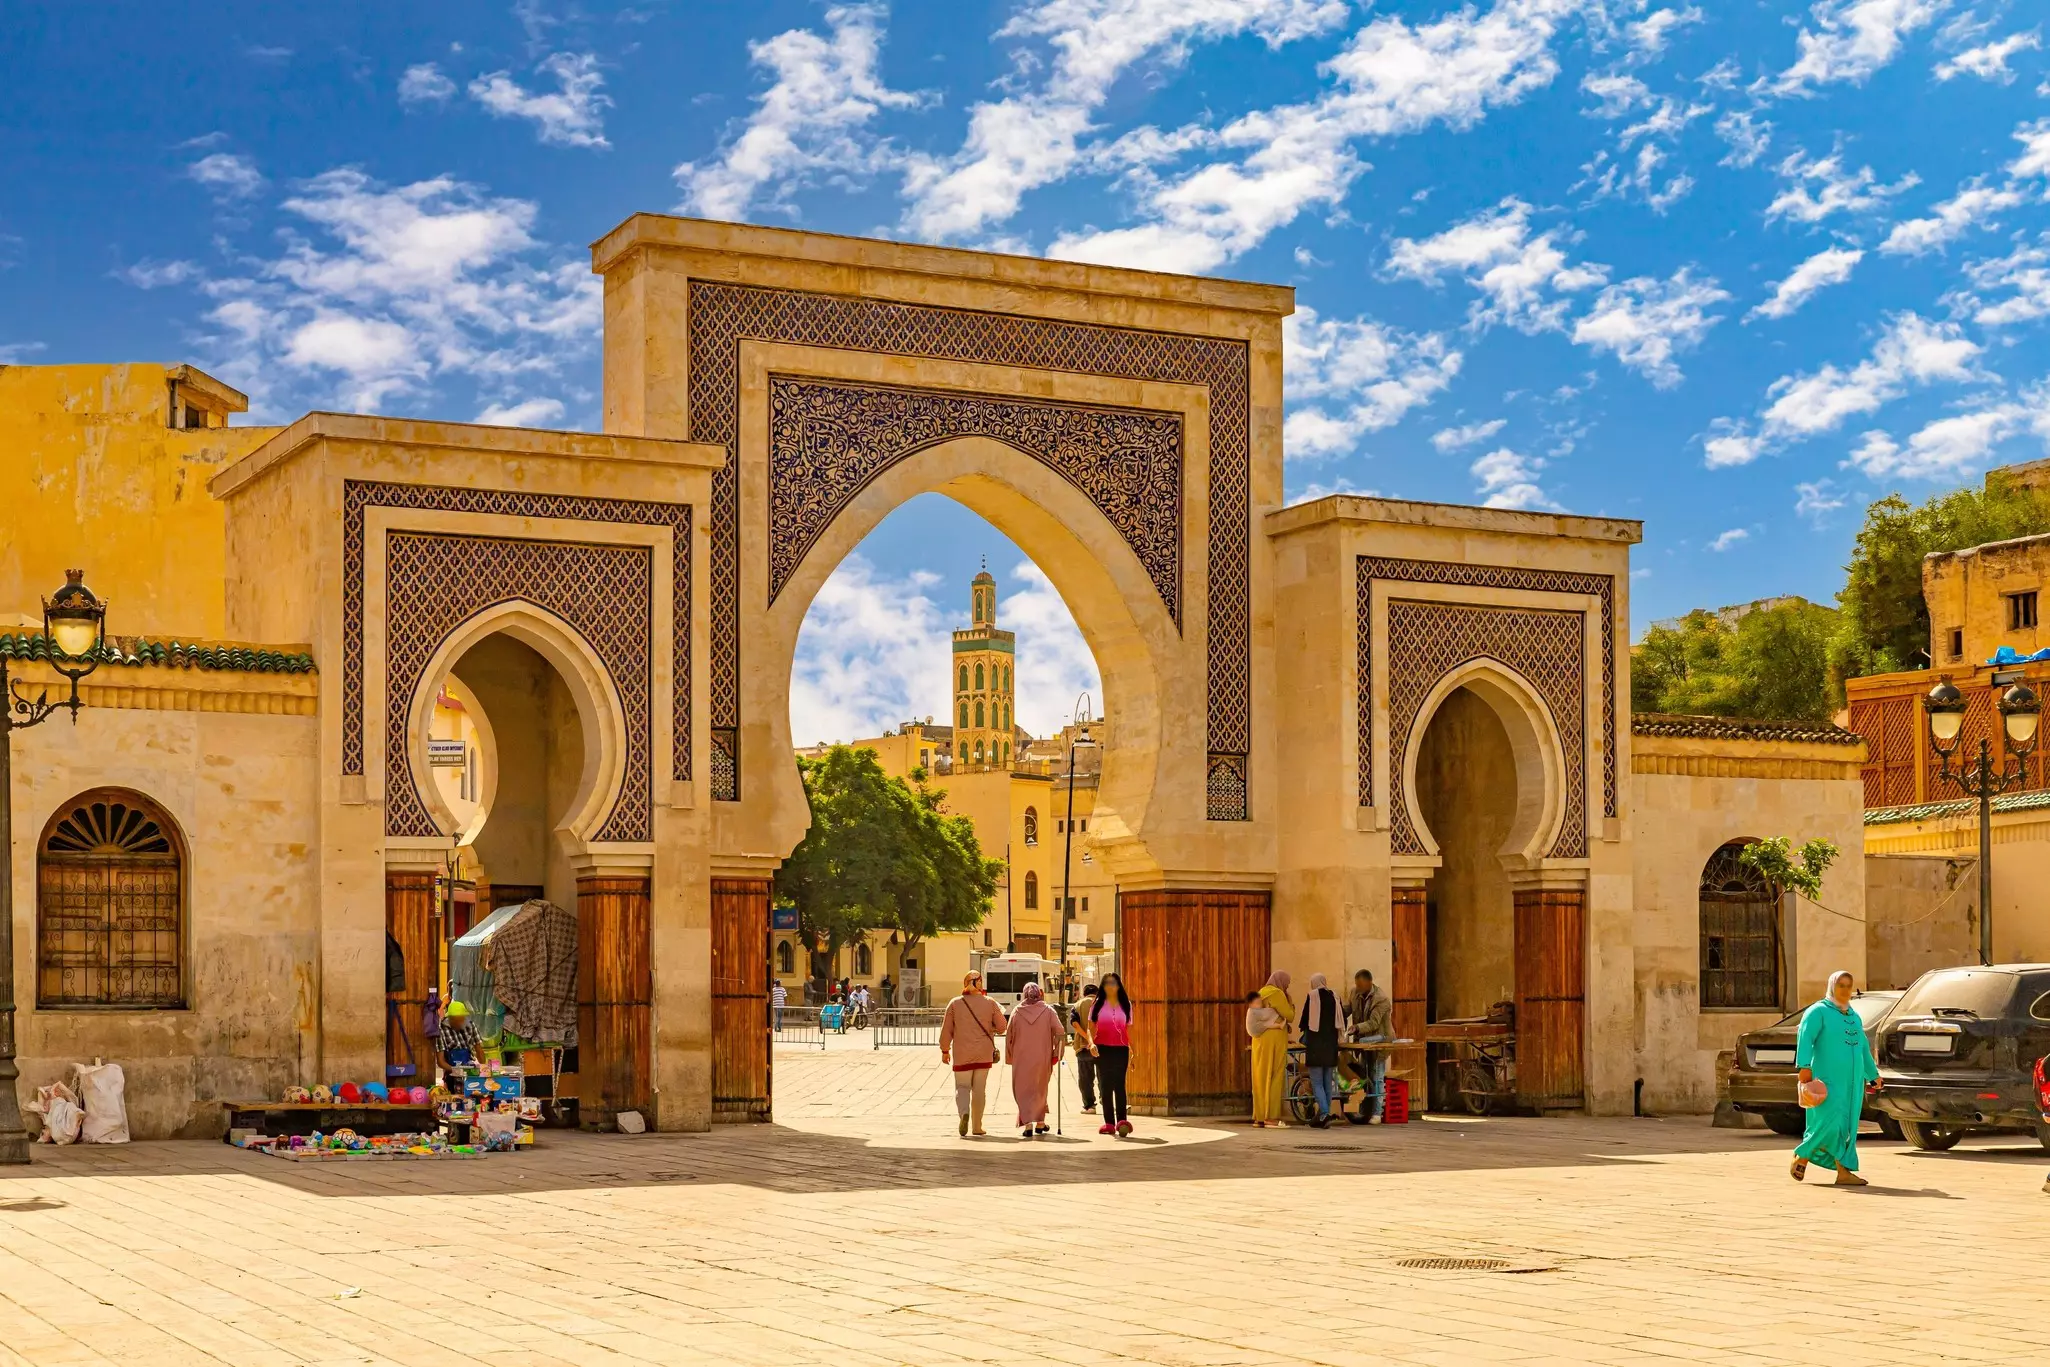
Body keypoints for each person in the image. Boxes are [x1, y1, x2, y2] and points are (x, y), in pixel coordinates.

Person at [1790, 969, 1881, 1187]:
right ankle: (1802, 1155)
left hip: (1853, 1082)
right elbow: (1805, 1037)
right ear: (1832, 986)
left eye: (1849, 986)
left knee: (1847, 1126)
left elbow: (1863, 1049)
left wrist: (1873, 1075)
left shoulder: (1853, 1016)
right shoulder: (1818, 1011)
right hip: (1827, 1080)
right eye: (1841, 985)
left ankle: (1843, 1172)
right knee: (1827, 1121)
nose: (1845, 990)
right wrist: (1803, 1066)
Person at [939, 970, 1009, 1137]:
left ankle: (964, 1113)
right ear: (977, 983)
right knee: (979, 1090)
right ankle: (977, 1127)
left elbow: (946, 1030)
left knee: (962, 1087)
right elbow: (1002, 1026)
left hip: (962, 1053)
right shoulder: (990, 1002)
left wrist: (945, 1050)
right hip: (984, 1053)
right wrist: (990, 1028)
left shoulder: (955, 1004)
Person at [1008, 982, 1064, 1137]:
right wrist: (1057, 1052)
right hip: (1042, 1057)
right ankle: (1040, 1122)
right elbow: (1060, 1031)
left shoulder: (1017, 1011)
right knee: (1040, 1089)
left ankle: (1027, 1125)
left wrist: (1009, 1055)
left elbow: (1009, 1035)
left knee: (1023, 1090)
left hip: (1021, 1058)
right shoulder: (1048, 1011)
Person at [1345, 968, 1393, 1123]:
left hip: (1380, 1041)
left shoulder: (1381, 999)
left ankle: (1377, 1113)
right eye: (1356, 985)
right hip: (1363, 1042)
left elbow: (1373, 1023)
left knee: (1377, 1077)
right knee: (1362, 1076)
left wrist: (1357, 1028)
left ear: (1369, 983)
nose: (1358, 988)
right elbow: (1348, 1009)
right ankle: (1361, 1112)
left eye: (1361, 986)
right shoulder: (1354, 993)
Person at [1090, 973, 1134, 1137]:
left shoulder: (1126, 1004)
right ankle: (1109, 1122)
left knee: (1119, 1085)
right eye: (1107, 983)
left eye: (1114, 983)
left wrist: (1133, 1051)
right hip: (1102, 1048)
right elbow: (1090, 1027)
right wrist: (1091, 1043)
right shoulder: (1097, 1004)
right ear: (1103, 986)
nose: (1110, 986)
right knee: (1105, 1086)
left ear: (1118, 985)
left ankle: (1122, 1121)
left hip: (1121, 1048)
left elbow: (1130, 1029)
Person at [1248, 971, 1293, 1127]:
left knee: (1260, 1077)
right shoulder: (1277, 993)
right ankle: (1271, 1117)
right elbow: (1290, 1015)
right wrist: (1290, 1002)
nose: (1287, 985)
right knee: (1274, 1075)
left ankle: (1259, 1117)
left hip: (1259, 1040)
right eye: (1287, 982)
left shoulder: (1262, 992)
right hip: (1274, 1040)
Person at [1298, 973, 1342, 1128]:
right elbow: (1340, 1019)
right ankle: (1325, 1114)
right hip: (1331, 1045)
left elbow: (1304, 1021)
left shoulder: (1312, 996)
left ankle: (1324, 1113)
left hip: (1316, 1046)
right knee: (1326, 1083)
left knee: (1316, 1082)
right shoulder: (1335, 997)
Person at [1071, 984, 1101, 1113]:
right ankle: (1105, 1100)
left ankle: (1089, 1106)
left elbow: (1075, 1024)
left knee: (1085, 1078)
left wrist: (1087, 1038)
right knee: (1103, 1076)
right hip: (1102, 1046)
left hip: (1083, 1047)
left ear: (1084, 993)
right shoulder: (1103, 1004)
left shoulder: (1078, 1005)